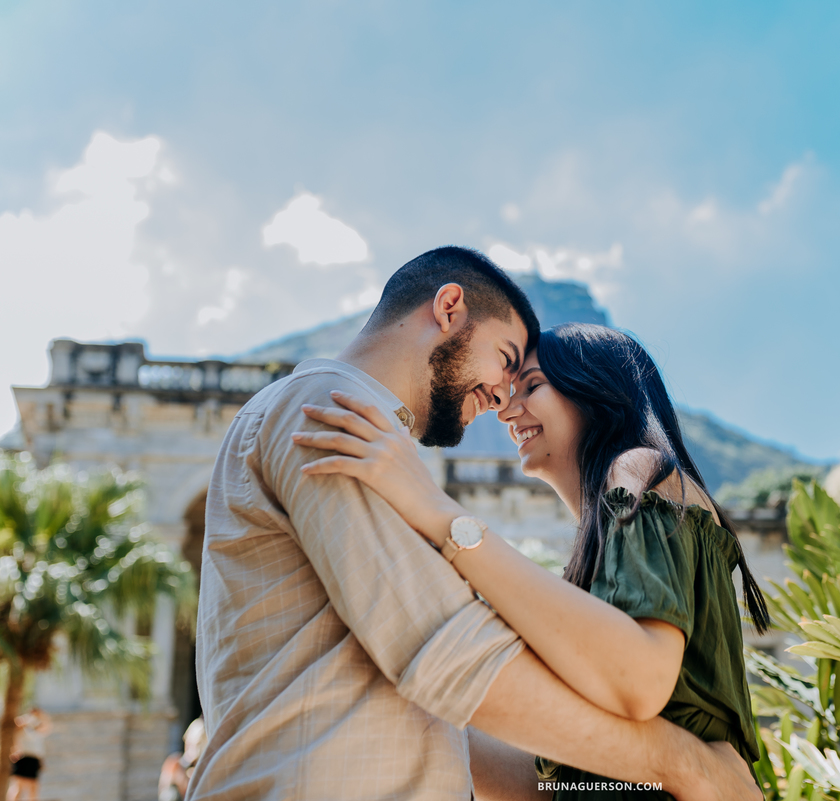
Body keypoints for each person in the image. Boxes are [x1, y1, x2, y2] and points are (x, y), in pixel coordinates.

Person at [190, 246, 759, 801]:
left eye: (528, 382)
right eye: (507, 362)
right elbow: (446, 653)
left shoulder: (367, 436)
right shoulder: (336, 411)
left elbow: (507, 730)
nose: (502, 401)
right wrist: (682, 766)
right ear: (449, 307)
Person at [294, 322, 771, 799]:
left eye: (534, 386)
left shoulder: (636, 468)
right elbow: (561, 783)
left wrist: (435, 510)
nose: (506, 410)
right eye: (509, 391)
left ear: (594, 391)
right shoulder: (597, 562)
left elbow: (639, 680)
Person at [159, 717, 206, 801]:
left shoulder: (207, 770)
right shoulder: (174, 765)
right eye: (190, 743)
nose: (194, 748)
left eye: (198, 744)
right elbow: (166, 794)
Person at [8, 707, 50, 801]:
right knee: (18, 786)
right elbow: (16, 724)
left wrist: (41, 716)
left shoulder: (37, 729)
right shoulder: (22, 724)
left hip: (34, 759)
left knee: (33, 787)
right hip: (23, 757)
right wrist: (28, 718)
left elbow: (47, 728)